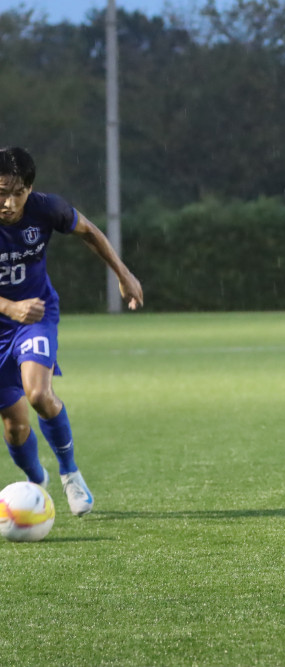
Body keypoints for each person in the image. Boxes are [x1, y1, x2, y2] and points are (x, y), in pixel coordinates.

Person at [0, 146, 143, 516]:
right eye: (1, 193)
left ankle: (70, 473)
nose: (9, 203)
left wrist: (123, 274)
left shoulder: (48, 208)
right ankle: (35, 479)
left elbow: (89, 231)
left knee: (38, 394)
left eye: (18, 193)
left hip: (36, 316)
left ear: (30, 189)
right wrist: (9, 307)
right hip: (6, 318)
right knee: (14, 427)